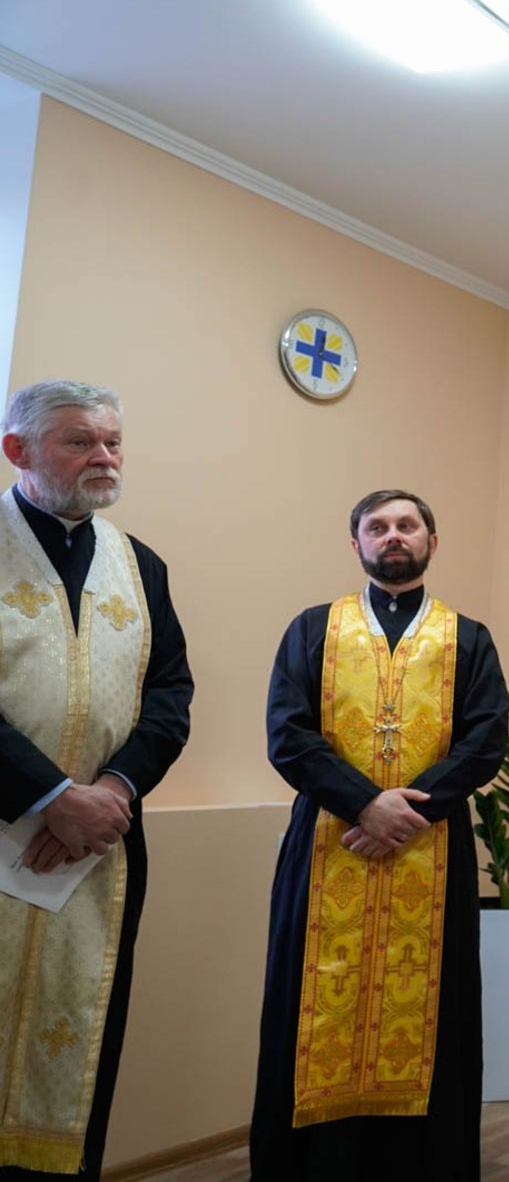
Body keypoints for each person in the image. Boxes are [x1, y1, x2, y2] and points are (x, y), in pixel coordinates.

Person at [249, 489, 507, 1180]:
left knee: (432, 1015)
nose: (393, 536)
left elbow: (485, 743)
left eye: (407, 525)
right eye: (377, 527)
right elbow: (288, 734)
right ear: (356, 543)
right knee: (309, 1007)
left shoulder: (469, 638)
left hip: (433, 849)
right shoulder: (313, 630)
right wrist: (365, 805)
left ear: (431, 540)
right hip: (328, 844)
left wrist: (408, 814)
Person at [0, 379, 192, 1180]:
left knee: (78, 1039)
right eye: (81, 441)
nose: (105, 457)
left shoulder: (138, 563)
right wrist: (50, 797)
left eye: (113, 441)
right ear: (18, 450)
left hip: (101, 851)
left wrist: (111, 793)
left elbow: (171, 695)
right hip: (6, 831)